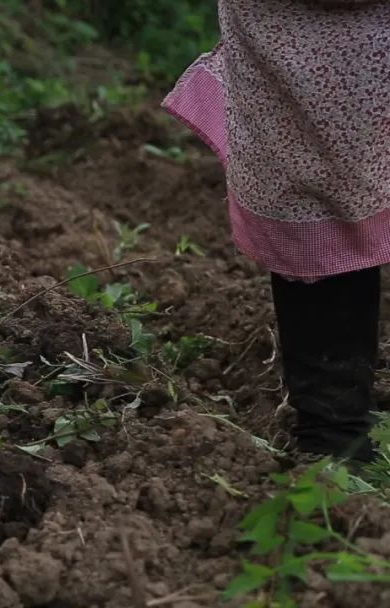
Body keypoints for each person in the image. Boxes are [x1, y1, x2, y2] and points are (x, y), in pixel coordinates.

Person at [163, 0, 390, 462]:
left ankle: (336, 441)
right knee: (313, 216)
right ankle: (335, 440)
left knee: (312, 213)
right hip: (292, 57)